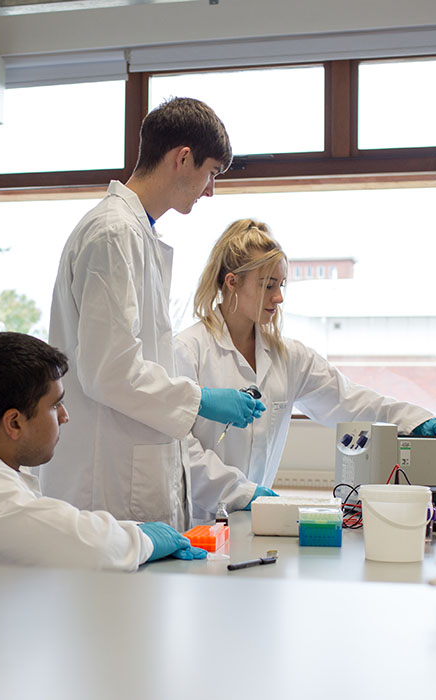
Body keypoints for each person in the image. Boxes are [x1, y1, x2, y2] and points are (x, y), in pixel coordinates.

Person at [42, 97, 265, 530]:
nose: (210, 191)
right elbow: (110, 371)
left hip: (128, 473)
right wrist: (201, 399)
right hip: (108, 482)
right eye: (212, 174)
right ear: (184, 158)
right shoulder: (113, 233)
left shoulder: (134, 232)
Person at [175, 219, 436, 523]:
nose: (279, 297)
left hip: (256, 522)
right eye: (267, 285)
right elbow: (180, 450)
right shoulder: (187, 350)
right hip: (198, 524)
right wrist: (242, 493)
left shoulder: (289, 357)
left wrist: (416, 420)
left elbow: (350, 401)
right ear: (232, 282)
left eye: (280, 285)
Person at [0, 332, 207, 570]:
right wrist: (144, 539)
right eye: (55, 405)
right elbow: (75, 542)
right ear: (14, 423)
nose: (65, 417)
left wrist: (134, 532)